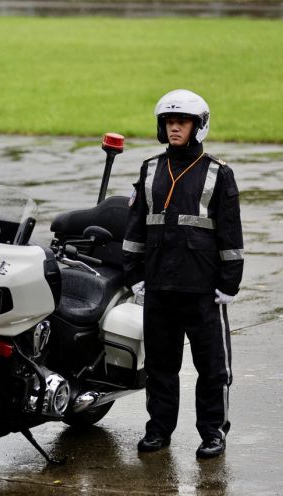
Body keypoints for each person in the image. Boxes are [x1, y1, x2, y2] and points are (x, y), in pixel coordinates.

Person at [122, 89, 244, 459]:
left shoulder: (218, 173)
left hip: (204, 290)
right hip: (159, 287)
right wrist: (135, 275)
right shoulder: (149, 169)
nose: (175, 128)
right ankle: (158, 430)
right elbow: (135, 228)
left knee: (213, 369)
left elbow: (230, 232)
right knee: (160, 367)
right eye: (169, 122)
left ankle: (212, 432)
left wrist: (229, 283)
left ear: (198, 127)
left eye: (182, 122)